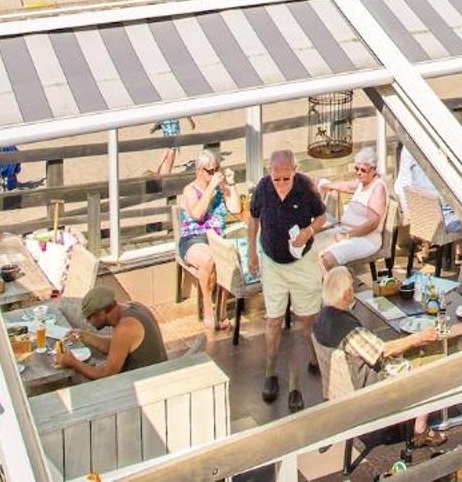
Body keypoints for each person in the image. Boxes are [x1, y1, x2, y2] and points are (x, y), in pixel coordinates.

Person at [314, 266, 459, 464]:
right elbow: (382, 351)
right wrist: (419, 338)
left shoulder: (321, 318)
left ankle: (413, 421)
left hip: (345, 386)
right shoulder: (347, 328)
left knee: (407, 347)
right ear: (347, 292)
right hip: (369, 387)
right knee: (432, 362)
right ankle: (421, 429)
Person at [246, 148, 328, 409]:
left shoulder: (305, 187)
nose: (281, 185)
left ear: (294, 171)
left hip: (302, 262)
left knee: (306, 320)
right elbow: (253, 218)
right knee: (274, 320)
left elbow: (322, 216)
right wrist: (251, 252)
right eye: (276, 179)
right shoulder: (263, 188)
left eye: (286, 179)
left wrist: (308, 231)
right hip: (273, 262)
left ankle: (313, 361)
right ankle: (270, 372)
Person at [176, 149, 240, 333]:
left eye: (216, 169)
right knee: (209, 258)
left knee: (226, 255)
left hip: (216, 239)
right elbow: (197, 214)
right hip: (193, 238)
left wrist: (231, 183)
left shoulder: (221, 188)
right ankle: (208, 306)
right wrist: (211, 188)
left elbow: (235, 208)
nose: (214, 173)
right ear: (200, 170)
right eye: (210, 171)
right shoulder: (190, 190)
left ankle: (221, 310)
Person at [55, 284, 168, 380]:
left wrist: (73, 363)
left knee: (80, 382)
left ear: (102, 313)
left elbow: (107, 375)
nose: (89, 323)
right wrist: (84, 336)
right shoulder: (135, 306)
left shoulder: (125, 328)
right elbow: (117, 345)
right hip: (159, 371)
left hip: (150, 382)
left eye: (90, 318)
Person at [317, 147, 389, 273]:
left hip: (366, 239)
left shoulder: (378, 189)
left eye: (363, 170)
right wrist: (325, 185)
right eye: (356, 169)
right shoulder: (363, 182)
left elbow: (373, 224)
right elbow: (346, 186)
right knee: (310, 246)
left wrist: (347, 236)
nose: (359, 173)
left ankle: (334, 288)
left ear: (374, 170)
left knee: (327, 259)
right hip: (347, 231)